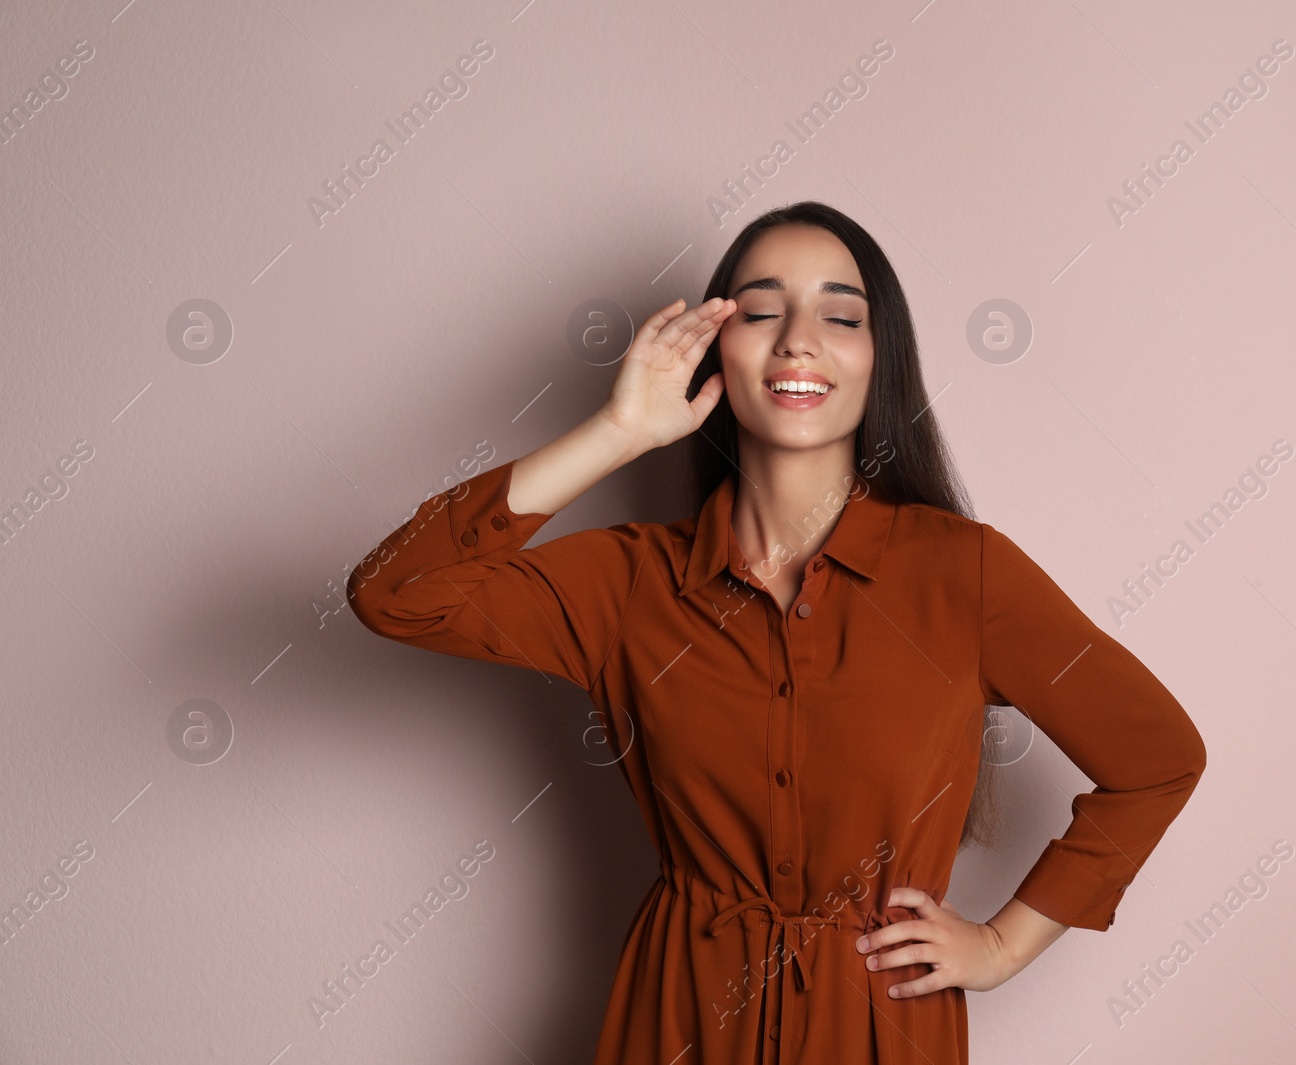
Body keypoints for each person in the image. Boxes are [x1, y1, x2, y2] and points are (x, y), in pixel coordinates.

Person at [346, 200, 1206, 1063]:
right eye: (761, 312)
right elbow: (397, 593)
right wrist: (619, 432)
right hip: (677, 1023)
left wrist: (1003, 944)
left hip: (880, 1029)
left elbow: (1158, 757)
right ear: (718, 348)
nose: (798, 339)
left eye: (840, 316)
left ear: (881, 360)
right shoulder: (630, 585)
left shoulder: (964, 574)